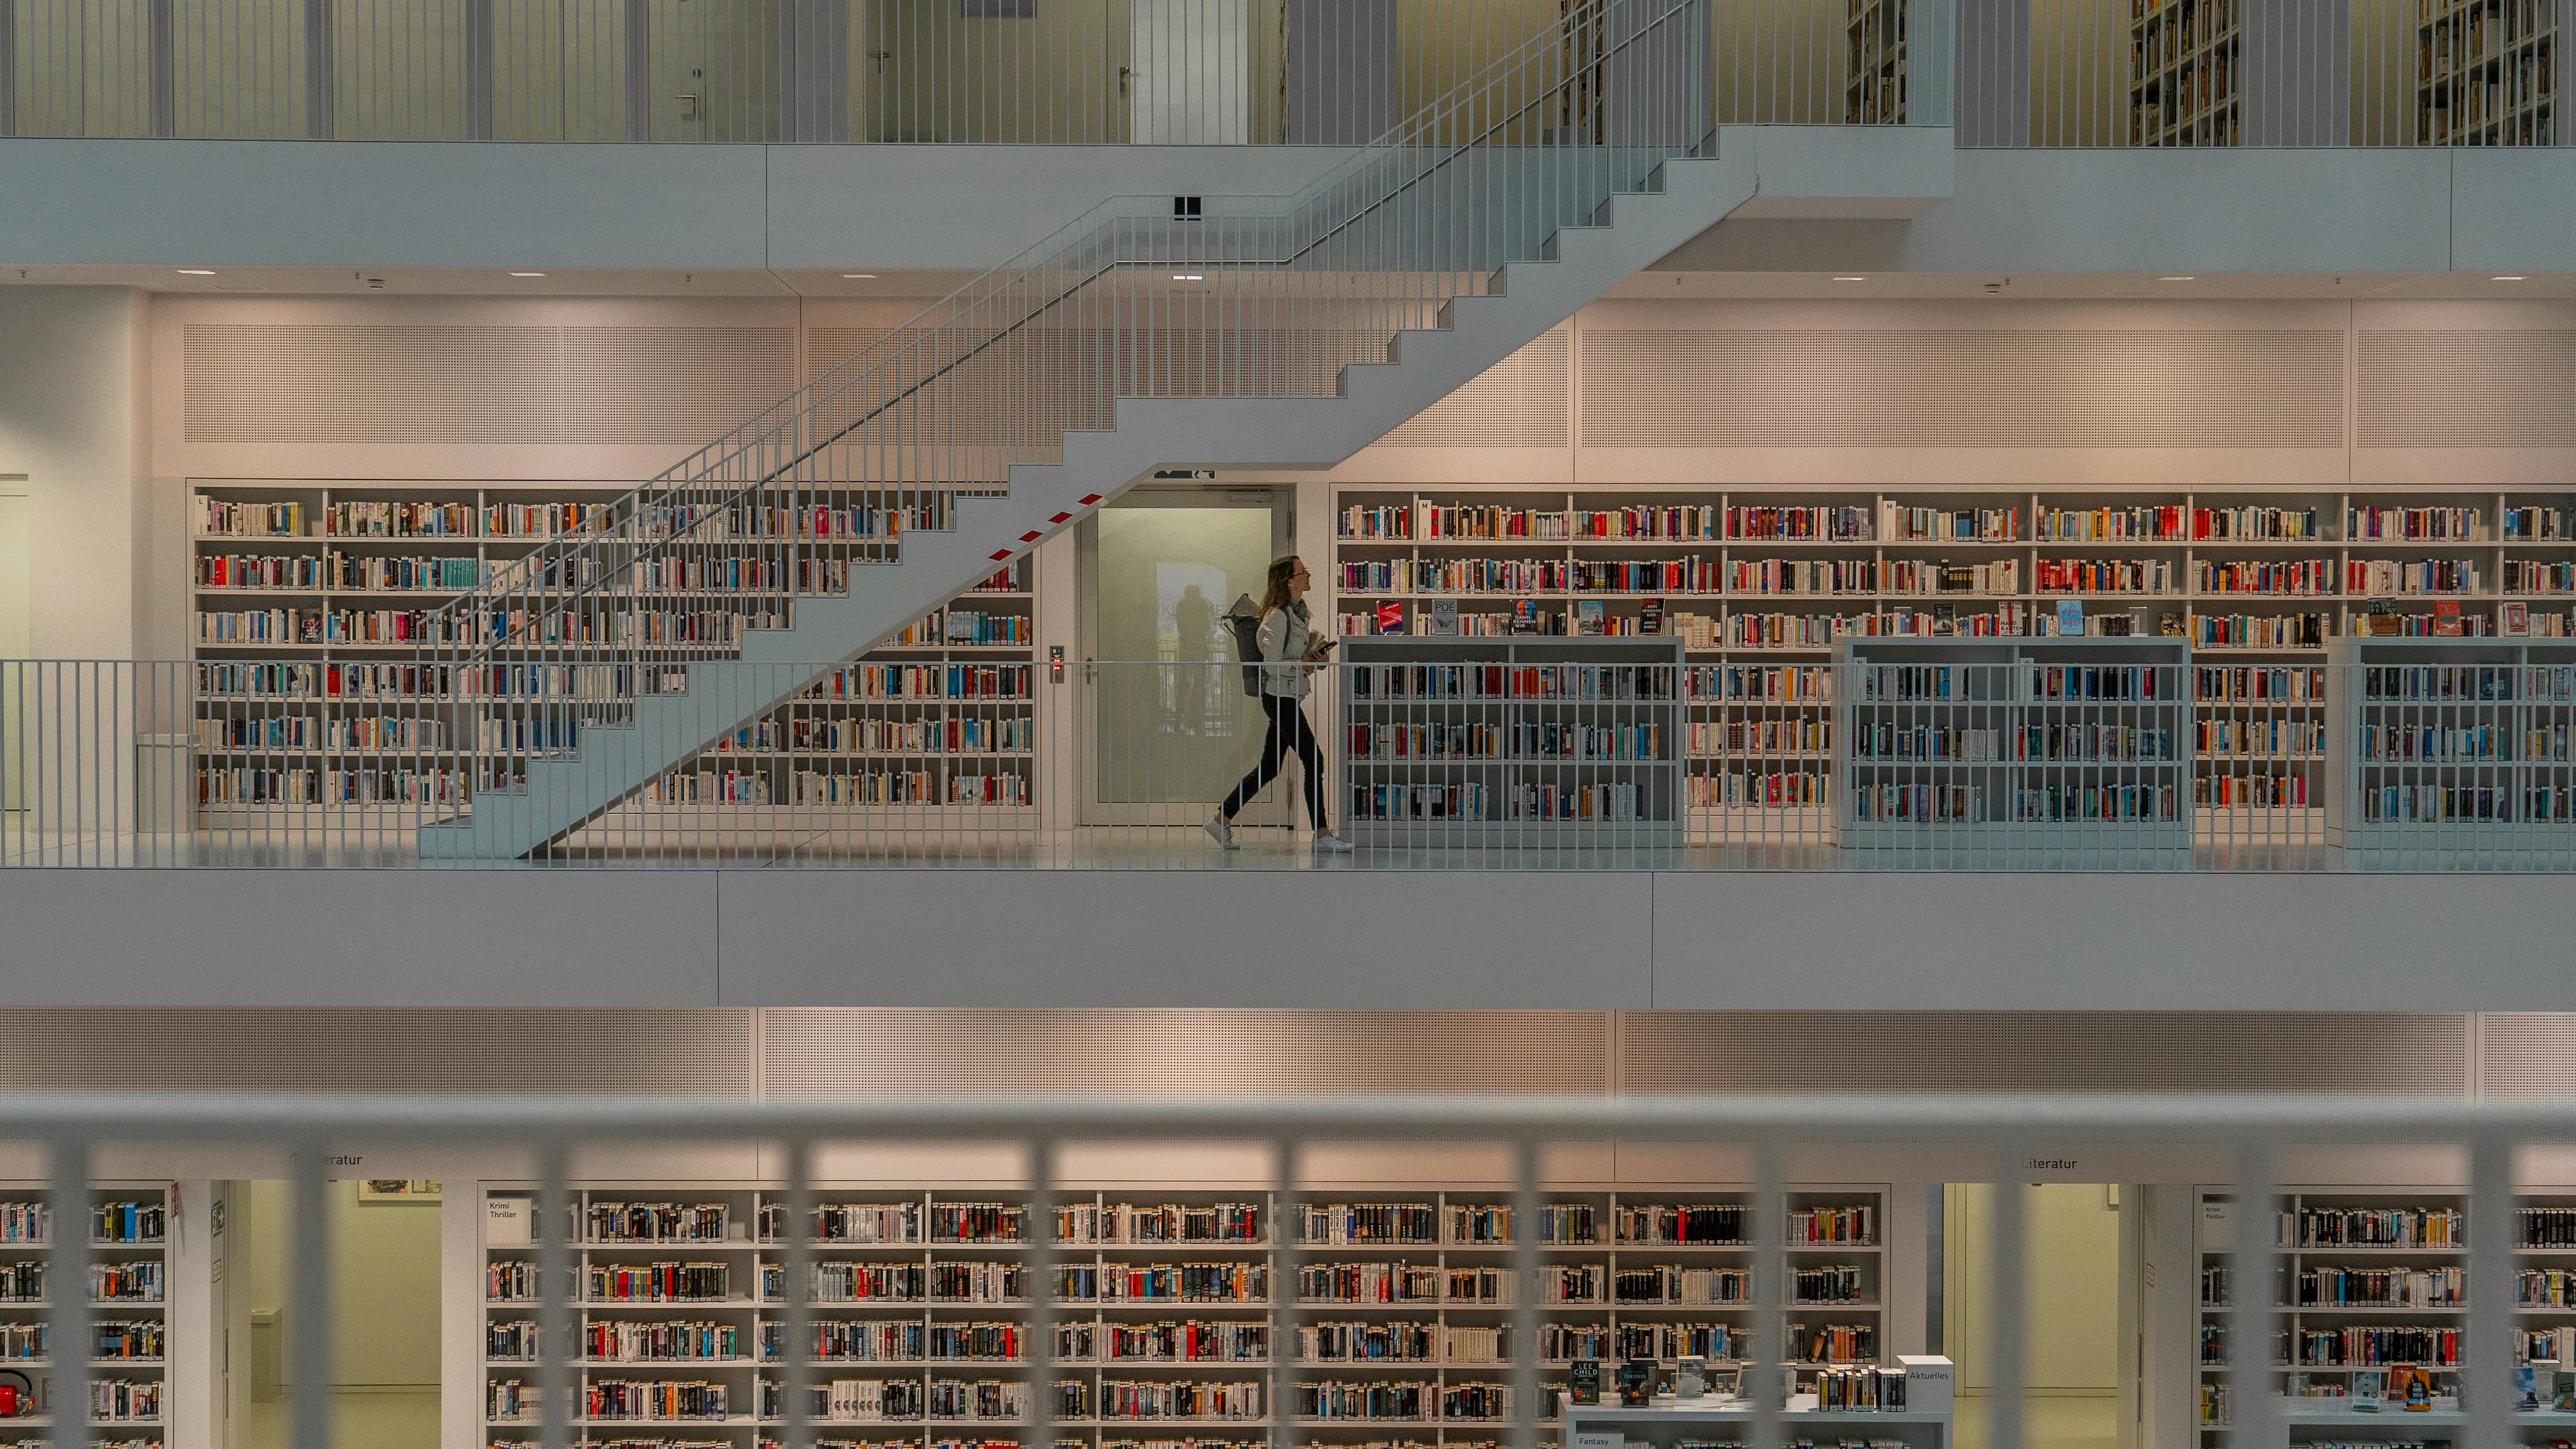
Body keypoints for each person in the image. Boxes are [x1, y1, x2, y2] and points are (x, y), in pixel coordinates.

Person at [1206, 555, 1351, 853]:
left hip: (1287, 695)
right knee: (1314, 759)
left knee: (1270, 767)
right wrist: (1304, 662)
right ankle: (1322, 834)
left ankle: (1221, 819)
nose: (1308, 574)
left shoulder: (1297, 614)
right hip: (1278, 697)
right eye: (1302, 572)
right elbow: (1271, 665)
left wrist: (1313, 661)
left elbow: (1294, 661)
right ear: (1289, 581)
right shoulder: (1276, 617)